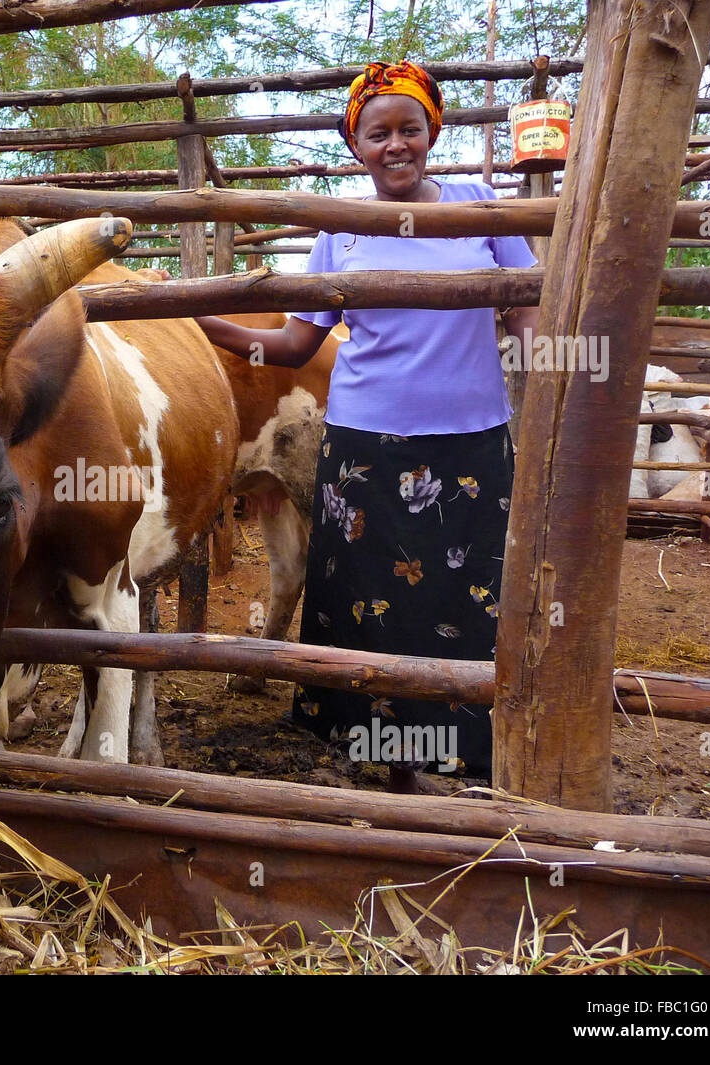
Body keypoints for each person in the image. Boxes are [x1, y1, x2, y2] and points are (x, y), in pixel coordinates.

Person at [195, 61, 541, 792]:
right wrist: (199, 317)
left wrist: (555, 361)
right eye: (376, 133)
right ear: (356, 144)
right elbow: (294, 345)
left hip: (471, 442)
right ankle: (382, 748)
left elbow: (525, 312)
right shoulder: (341, 232)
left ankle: (459, 749)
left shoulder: (483, 208)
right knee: (367, 600)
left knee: (463, 600)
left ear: (431, 133)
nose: (395, 145)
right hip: (362, 450)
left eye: (408, 129)